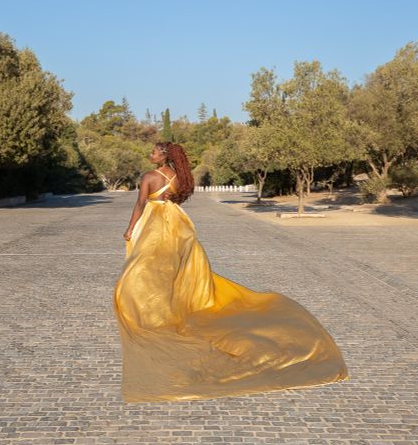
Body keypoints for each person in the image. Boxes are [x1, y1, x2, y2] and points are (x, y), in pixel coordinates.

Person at [113, 140, 349, 402]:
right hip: (179, 225)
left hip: (156, 224)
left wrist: (130, 228)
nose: (151, 154)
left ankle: (150, 308)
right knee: (177, 270)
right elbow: (179, 196)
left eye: (154, 152)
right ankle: (170, 303)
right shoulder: (179, 177)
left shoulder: (149, 176)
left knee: (145, 267)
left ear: (164, 155)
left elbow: (140, 204)